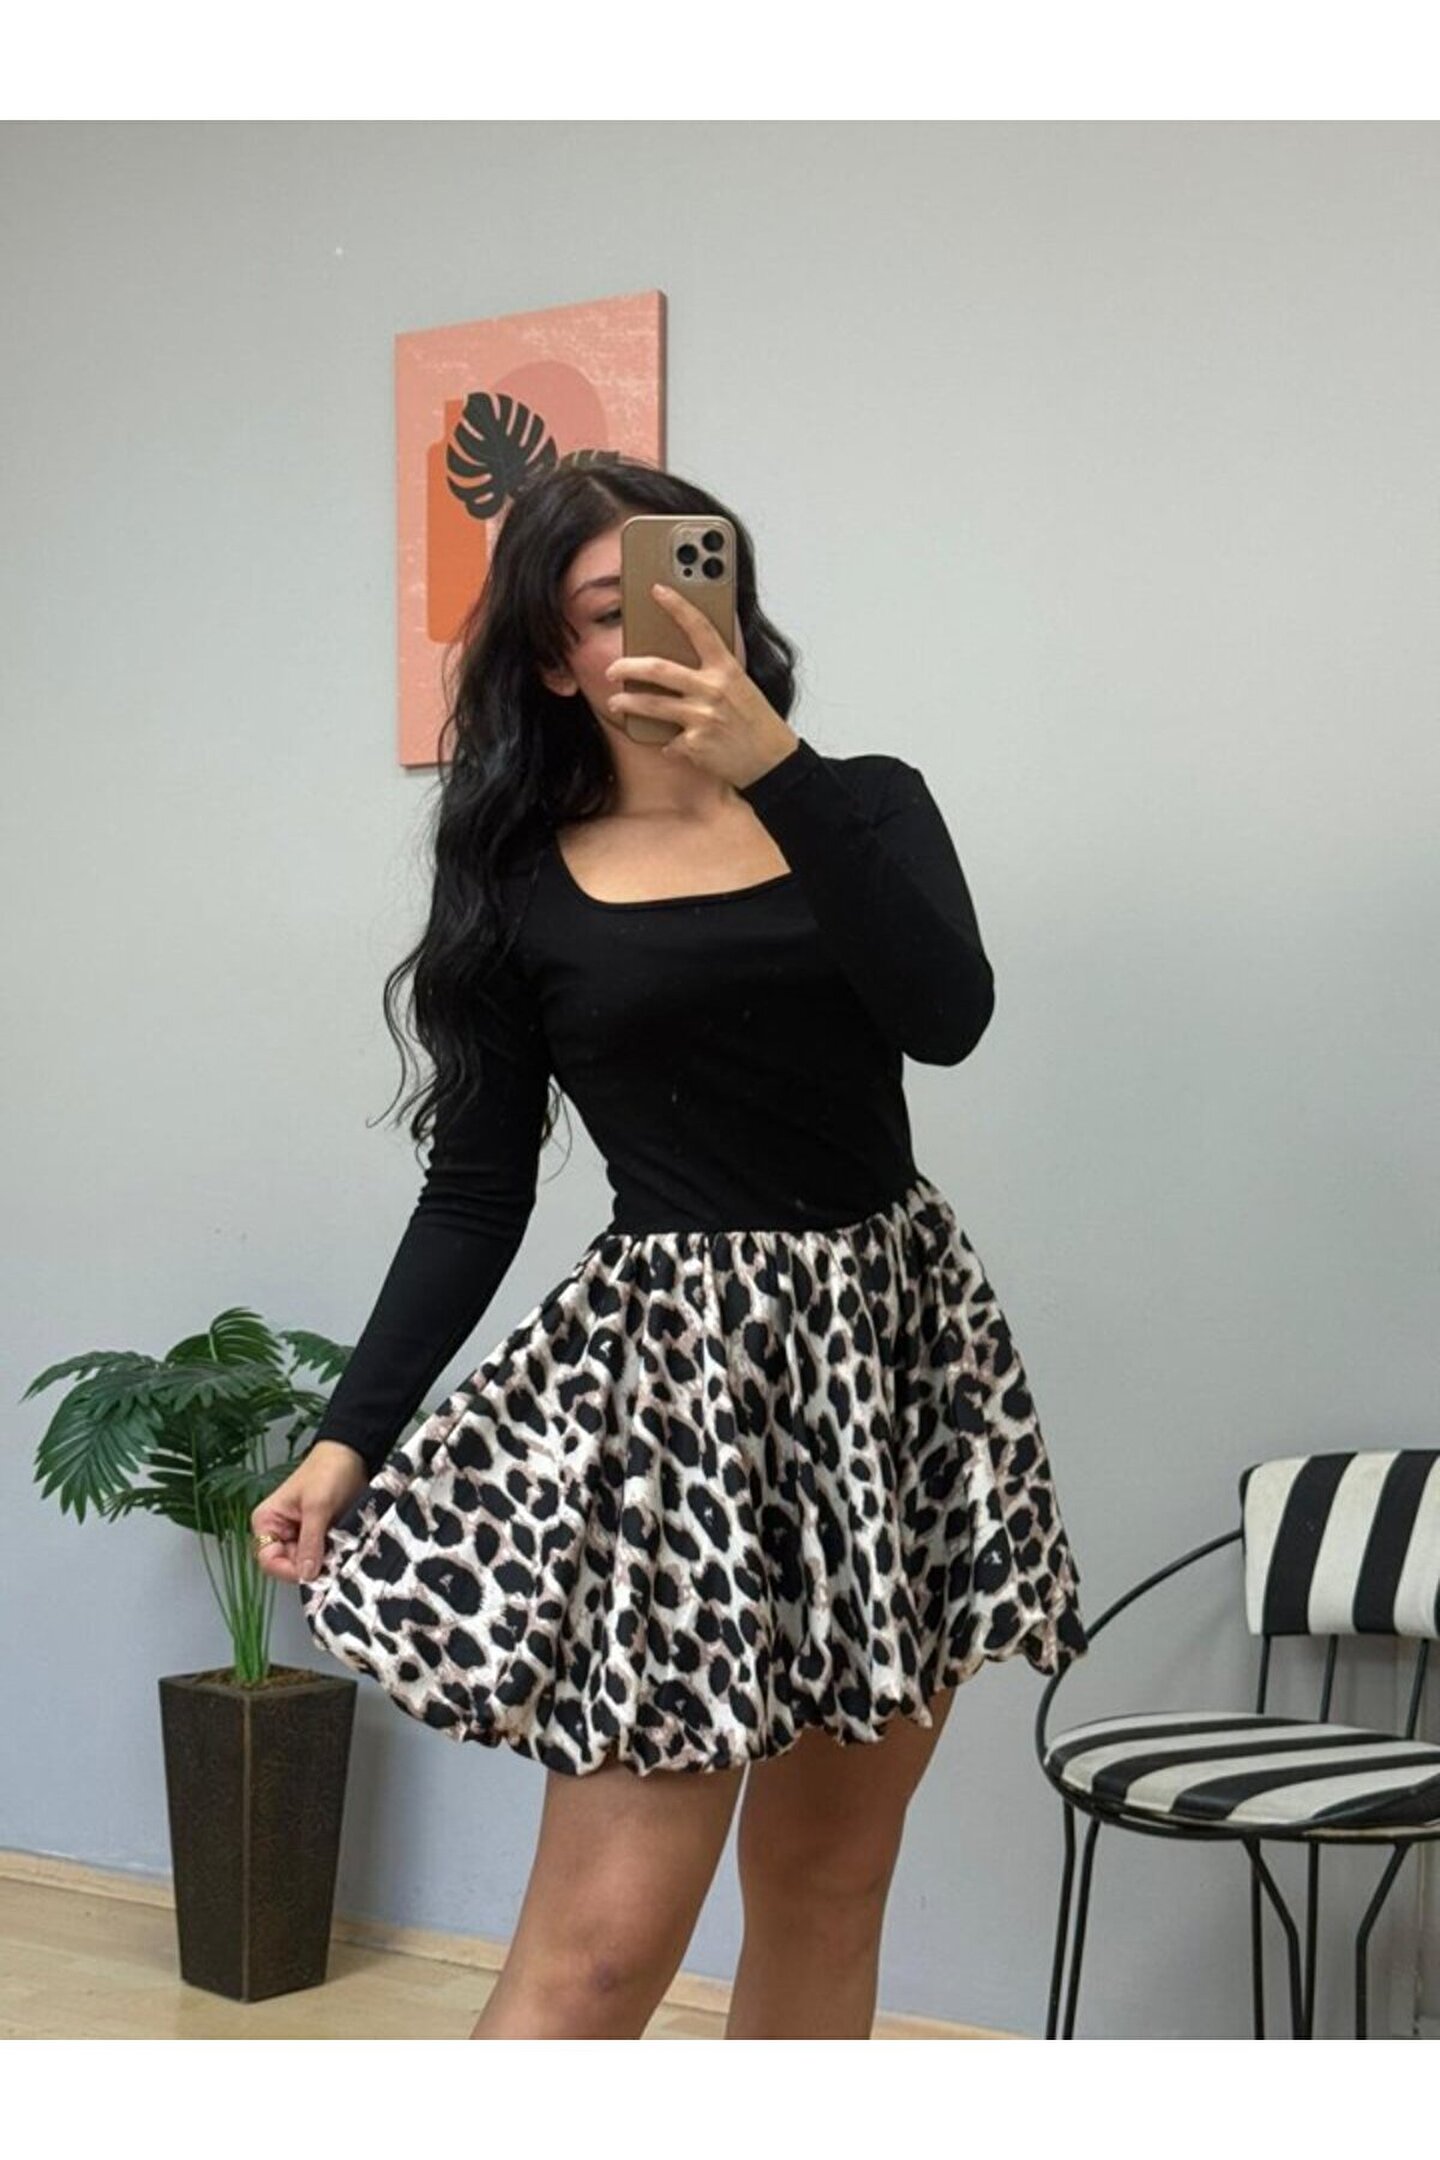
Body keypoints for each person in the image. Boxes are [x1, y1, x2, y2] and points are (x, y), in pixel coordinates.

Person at [250, 457, 1087, 2039]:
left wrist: (779, 771)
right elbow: (476, 1190)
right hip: (684, 1407)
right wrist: (352, 1436)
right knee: (601, 1952)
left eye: (693, 586)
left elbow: (948, 1016)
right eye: (603, 610)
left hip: (896, 1370)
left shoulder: (866, 803)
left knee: (832, 1886)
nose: (656, 630)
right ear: (555, 658)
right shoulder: (517, 883)